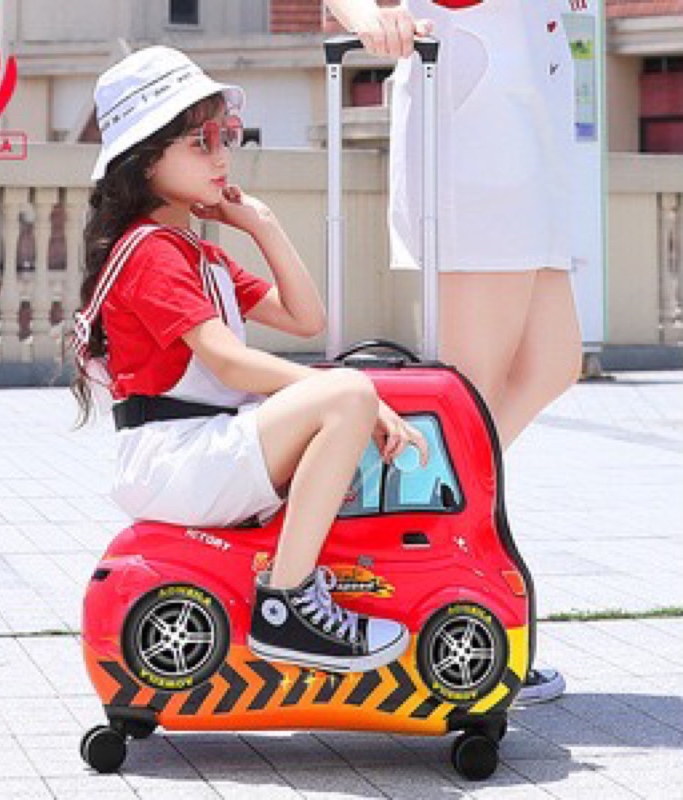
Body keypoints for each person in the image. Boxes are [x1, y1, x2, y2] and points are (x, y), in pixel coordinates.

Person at [70, 46, 429, 675]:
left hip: (201, 448)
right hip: (177, 456)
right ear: (145, 158)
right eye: (200, 141)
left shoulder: (193, 252)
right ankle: (287, 604)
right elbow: (231, 365)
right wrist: (360, 400)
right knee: (346, 392)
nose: (222, 156)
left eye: (225, 136)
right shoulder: (151, 253)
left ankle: (300, 589)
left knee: (343, 390)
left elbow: (305, 319)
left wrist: (262, 223)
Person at [325, 0, 582, 704]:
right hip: (480, 154)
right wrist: (365, 13)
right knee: (469, 401)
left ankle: (404, 521)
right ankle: (431, 591)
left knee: (552, 362)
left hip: (528, 145)